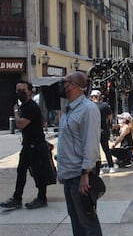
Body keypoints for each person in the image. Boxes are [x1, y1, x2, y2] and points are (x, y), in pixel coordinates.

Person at [56, 71, 103, 235]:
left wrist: (85, 174)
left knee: (88, 223)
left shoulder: (88, 109)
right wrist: (61, 171)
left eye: (64, 82)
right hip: (69, 175)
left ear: (74, 86)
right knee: (76, 221)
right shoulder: (69, 109)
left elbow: (91, 144)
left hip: (80, 176)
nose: (62, 86)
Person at [0, 80, 56, 210]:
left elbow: (20, 124)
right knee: (21, 171)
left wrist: (15, 111)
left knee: (38, 172)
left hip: (36, 146)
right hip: (28, 145)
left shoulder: (30, 107)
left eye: (23, 90)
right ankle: (17, 198)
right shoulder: (24, 106)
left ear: (30, 92)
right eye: (18, 90)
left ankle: (42, 198)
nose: (20, 93)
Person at [90, 90, 115, 174]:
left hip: (94, 131)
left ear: (93, 97)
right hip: (104, 130)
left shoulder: (90, 107)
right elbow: (110, 117)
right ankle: (111, 166)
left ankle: (99, 169)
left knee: (96, 151)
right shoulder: (105, 105)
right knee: (106, 149)